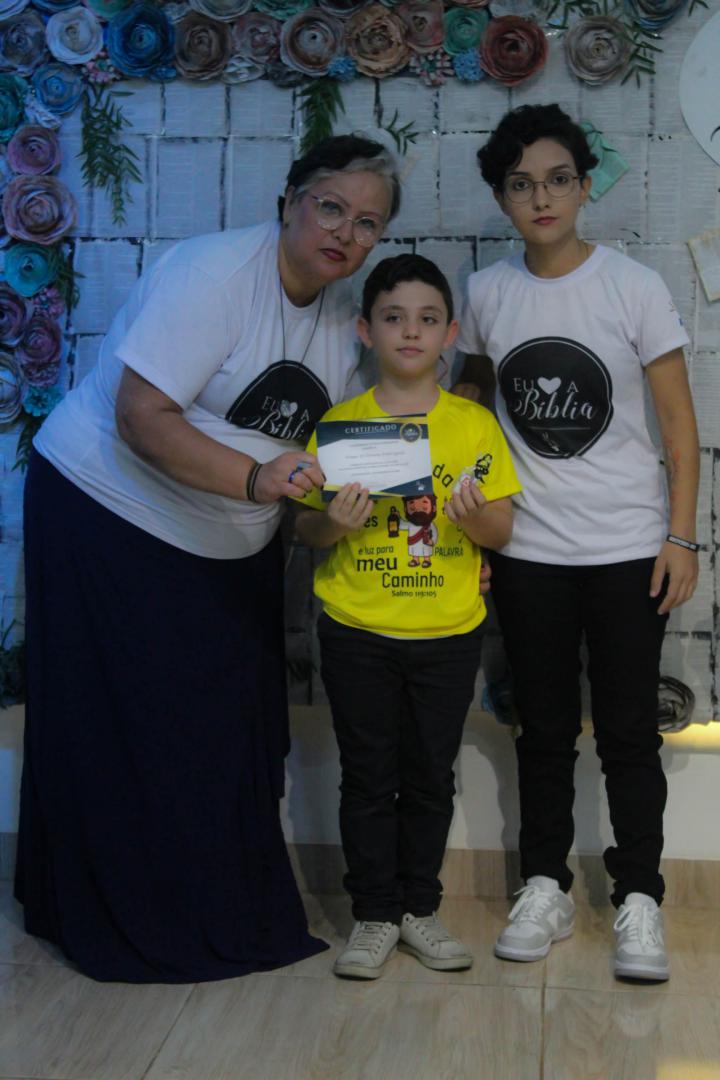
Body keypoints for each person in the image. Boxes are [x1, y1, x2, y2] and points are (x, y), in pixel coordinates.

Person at [15, 135, 401, 983]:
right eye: (330, 207)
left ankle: (216, 910)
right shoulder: (217, 275)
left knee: (223, 731)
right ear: (289, 201)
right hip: (104, 511)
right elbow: (141, 415)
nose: (345, 232)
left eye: (368, 222)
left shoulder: (344, 318)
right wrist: (259, 479)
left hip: (226, 539)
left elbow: (337, 450)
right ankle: (119, 917)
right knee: (123, 727)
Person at [455, 104, 700, 981]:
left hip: (631, 549)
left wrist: (682, 536)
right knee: (544, 730)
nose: (542, 198)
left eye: (558, 179)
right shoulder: (486, 295)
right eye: (522, 184)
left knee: (631, 731)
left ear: (585, 186)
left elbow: (679, 426)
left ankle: (639, 896)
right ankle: (545, 886)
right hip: (529, 552)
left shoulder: (633, 286)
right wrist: (473, 531)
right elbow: (471, 414)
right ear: (502, 197)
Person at [294, 254, 521, 979]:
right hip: (356, 631)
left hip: (449, 635)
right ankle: (373, 915)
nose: (411, 332)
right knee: (367, 778)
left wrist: (475, 517)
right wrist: (332, 521)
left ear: (450, 332)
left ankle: (419, 908)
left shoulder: (474, 426)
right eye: (394, 318)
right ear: (366, 330)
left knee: (429, 778)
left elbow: (501, 532)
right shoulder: (340, 426)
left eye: (427, 319)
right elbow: (307, 531)